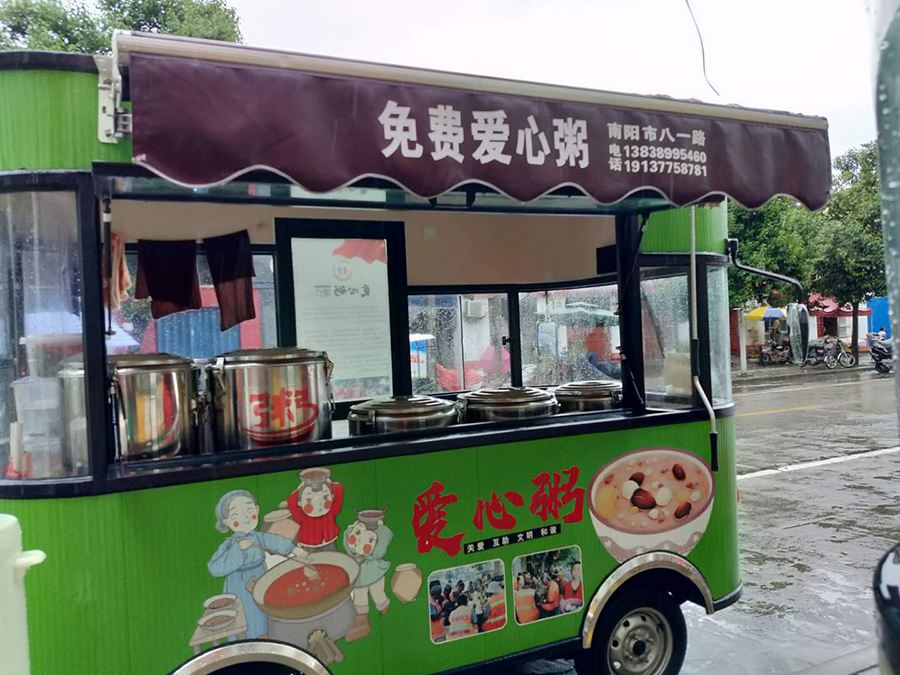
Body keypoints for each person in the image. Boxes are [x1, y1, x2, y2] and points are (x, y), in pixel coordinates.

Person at [207, 490, 305, 639]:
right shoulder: (230, 544)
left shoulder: (259, 537)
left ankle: (266, 637)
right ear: (226, 522)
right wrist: (238, 550)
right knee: (244, 614)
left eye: (249, 510)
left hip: (260, 576)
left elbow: (274, 541)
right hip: (238, 585)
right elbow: (214, 567)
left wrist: (293, 548)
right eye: (236, 515)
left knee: (263, 608)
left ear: (257, 510)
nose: (245, 518)